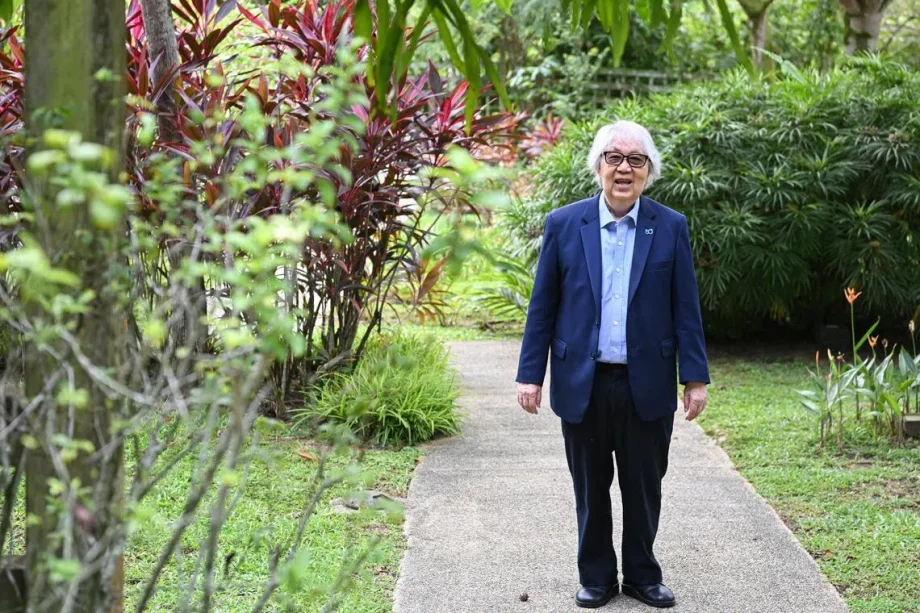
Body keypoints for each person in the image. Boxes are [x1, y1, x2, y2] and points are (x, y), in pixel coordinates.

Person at [515, 120, 710, 609]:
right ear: (598, 165)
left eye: (635, 160)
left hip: (647, 383)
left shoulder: (670, 226)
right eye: (614, 157)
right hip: (584, 380)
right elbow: (543, 305)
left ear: (649, 171)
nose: (624, 168)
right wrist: (529, 375)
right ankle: (597, 577)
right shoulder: (564, 223)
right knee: (590, 488)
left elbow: (686, 308)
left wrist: (695, 378)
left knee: (644, 487)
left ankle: (643, 576)